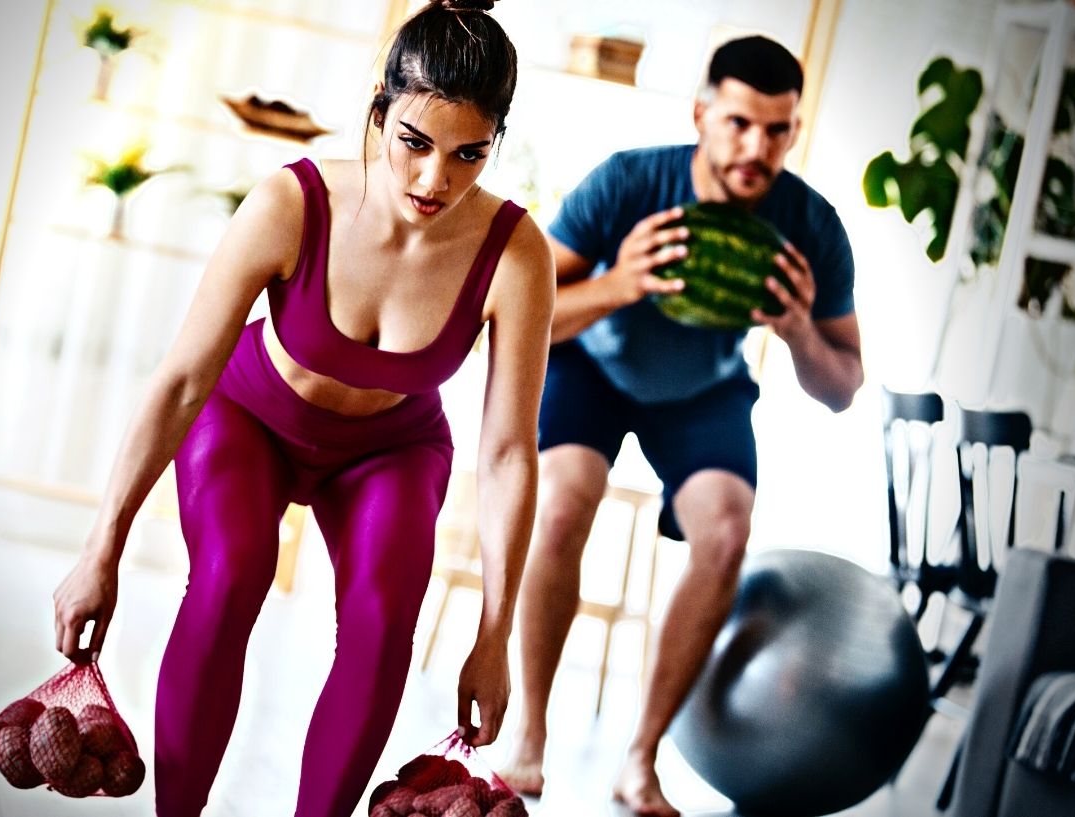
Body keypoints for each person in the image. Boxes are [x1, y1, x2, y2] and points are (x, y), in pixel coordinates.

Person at [50, 2, 554, 815]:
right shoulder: (294, 201)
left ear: (496, 141)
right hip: (249, 415)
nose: (435, 181)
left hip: (391, 447)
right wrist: (100, 548)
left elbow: (507, 454)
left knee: (386, 622)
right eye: (414, 144)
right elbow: (181, 379)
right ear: (378, 112)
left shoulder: (516, 252)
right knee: (231, 571)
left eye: (470, 155)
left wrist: (494, 636)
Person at [502, 35, 864, 817]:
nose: (754, 149)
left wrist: (800, 329)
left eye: (776, 131)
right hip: (591, 366)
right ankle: (530, 731)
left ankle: (640, 759)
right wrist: (621, 283)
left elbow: (843, 386)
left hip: (704, 388)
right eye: (738, 123)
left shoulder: (811, 226)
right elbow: (526, 320)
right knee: (564, 501)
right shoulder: (629, 181)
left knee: (728, 532)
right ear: (702, 113)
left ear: (793, 131)